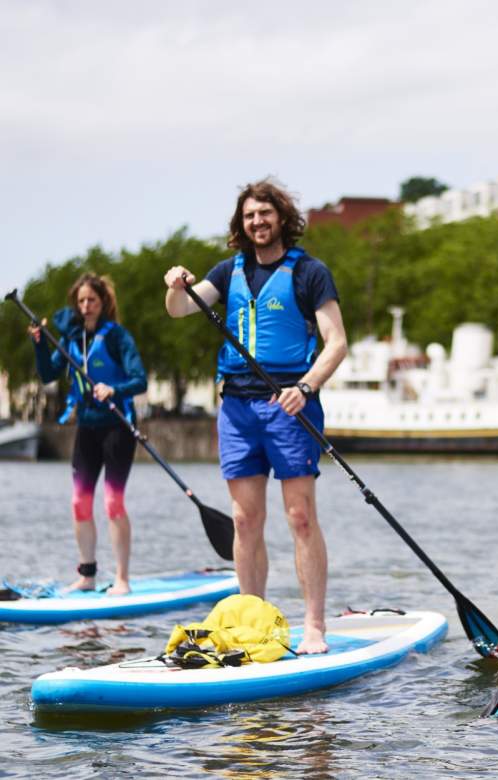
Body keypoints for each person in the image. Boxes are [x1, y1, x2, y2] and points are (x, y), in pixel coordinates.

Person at [164, 179, 348, 653]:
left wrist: (306, 387)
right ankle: (251, 622)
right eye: (249, 216)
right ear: (240, 224)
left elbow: (337, 343)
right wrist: (175, 285)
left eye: (265, 214)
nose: (257, 223)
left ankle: (313, 627)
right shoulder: (228, 272)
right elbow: (181, 308)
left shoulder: (309, 272)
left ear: (282, 219)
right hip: (237, 409)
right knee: (245, 519)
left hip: (288, 405)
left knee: (300, 516)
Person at [30, 273, 147, 595]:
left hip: (118, 427)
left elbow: (140, 380)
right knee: (79, 502)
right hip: (87, 427)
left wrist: (114, 387)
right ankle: (87, 574)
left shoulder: (116, 337)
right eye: (81, 301)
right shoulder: (70, 338)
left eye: (91, 300)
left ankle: (122, 579)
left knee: (112, 502)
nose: (85, 307)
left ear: (103, 302)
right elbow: (47, 374)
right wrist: (40, 344)